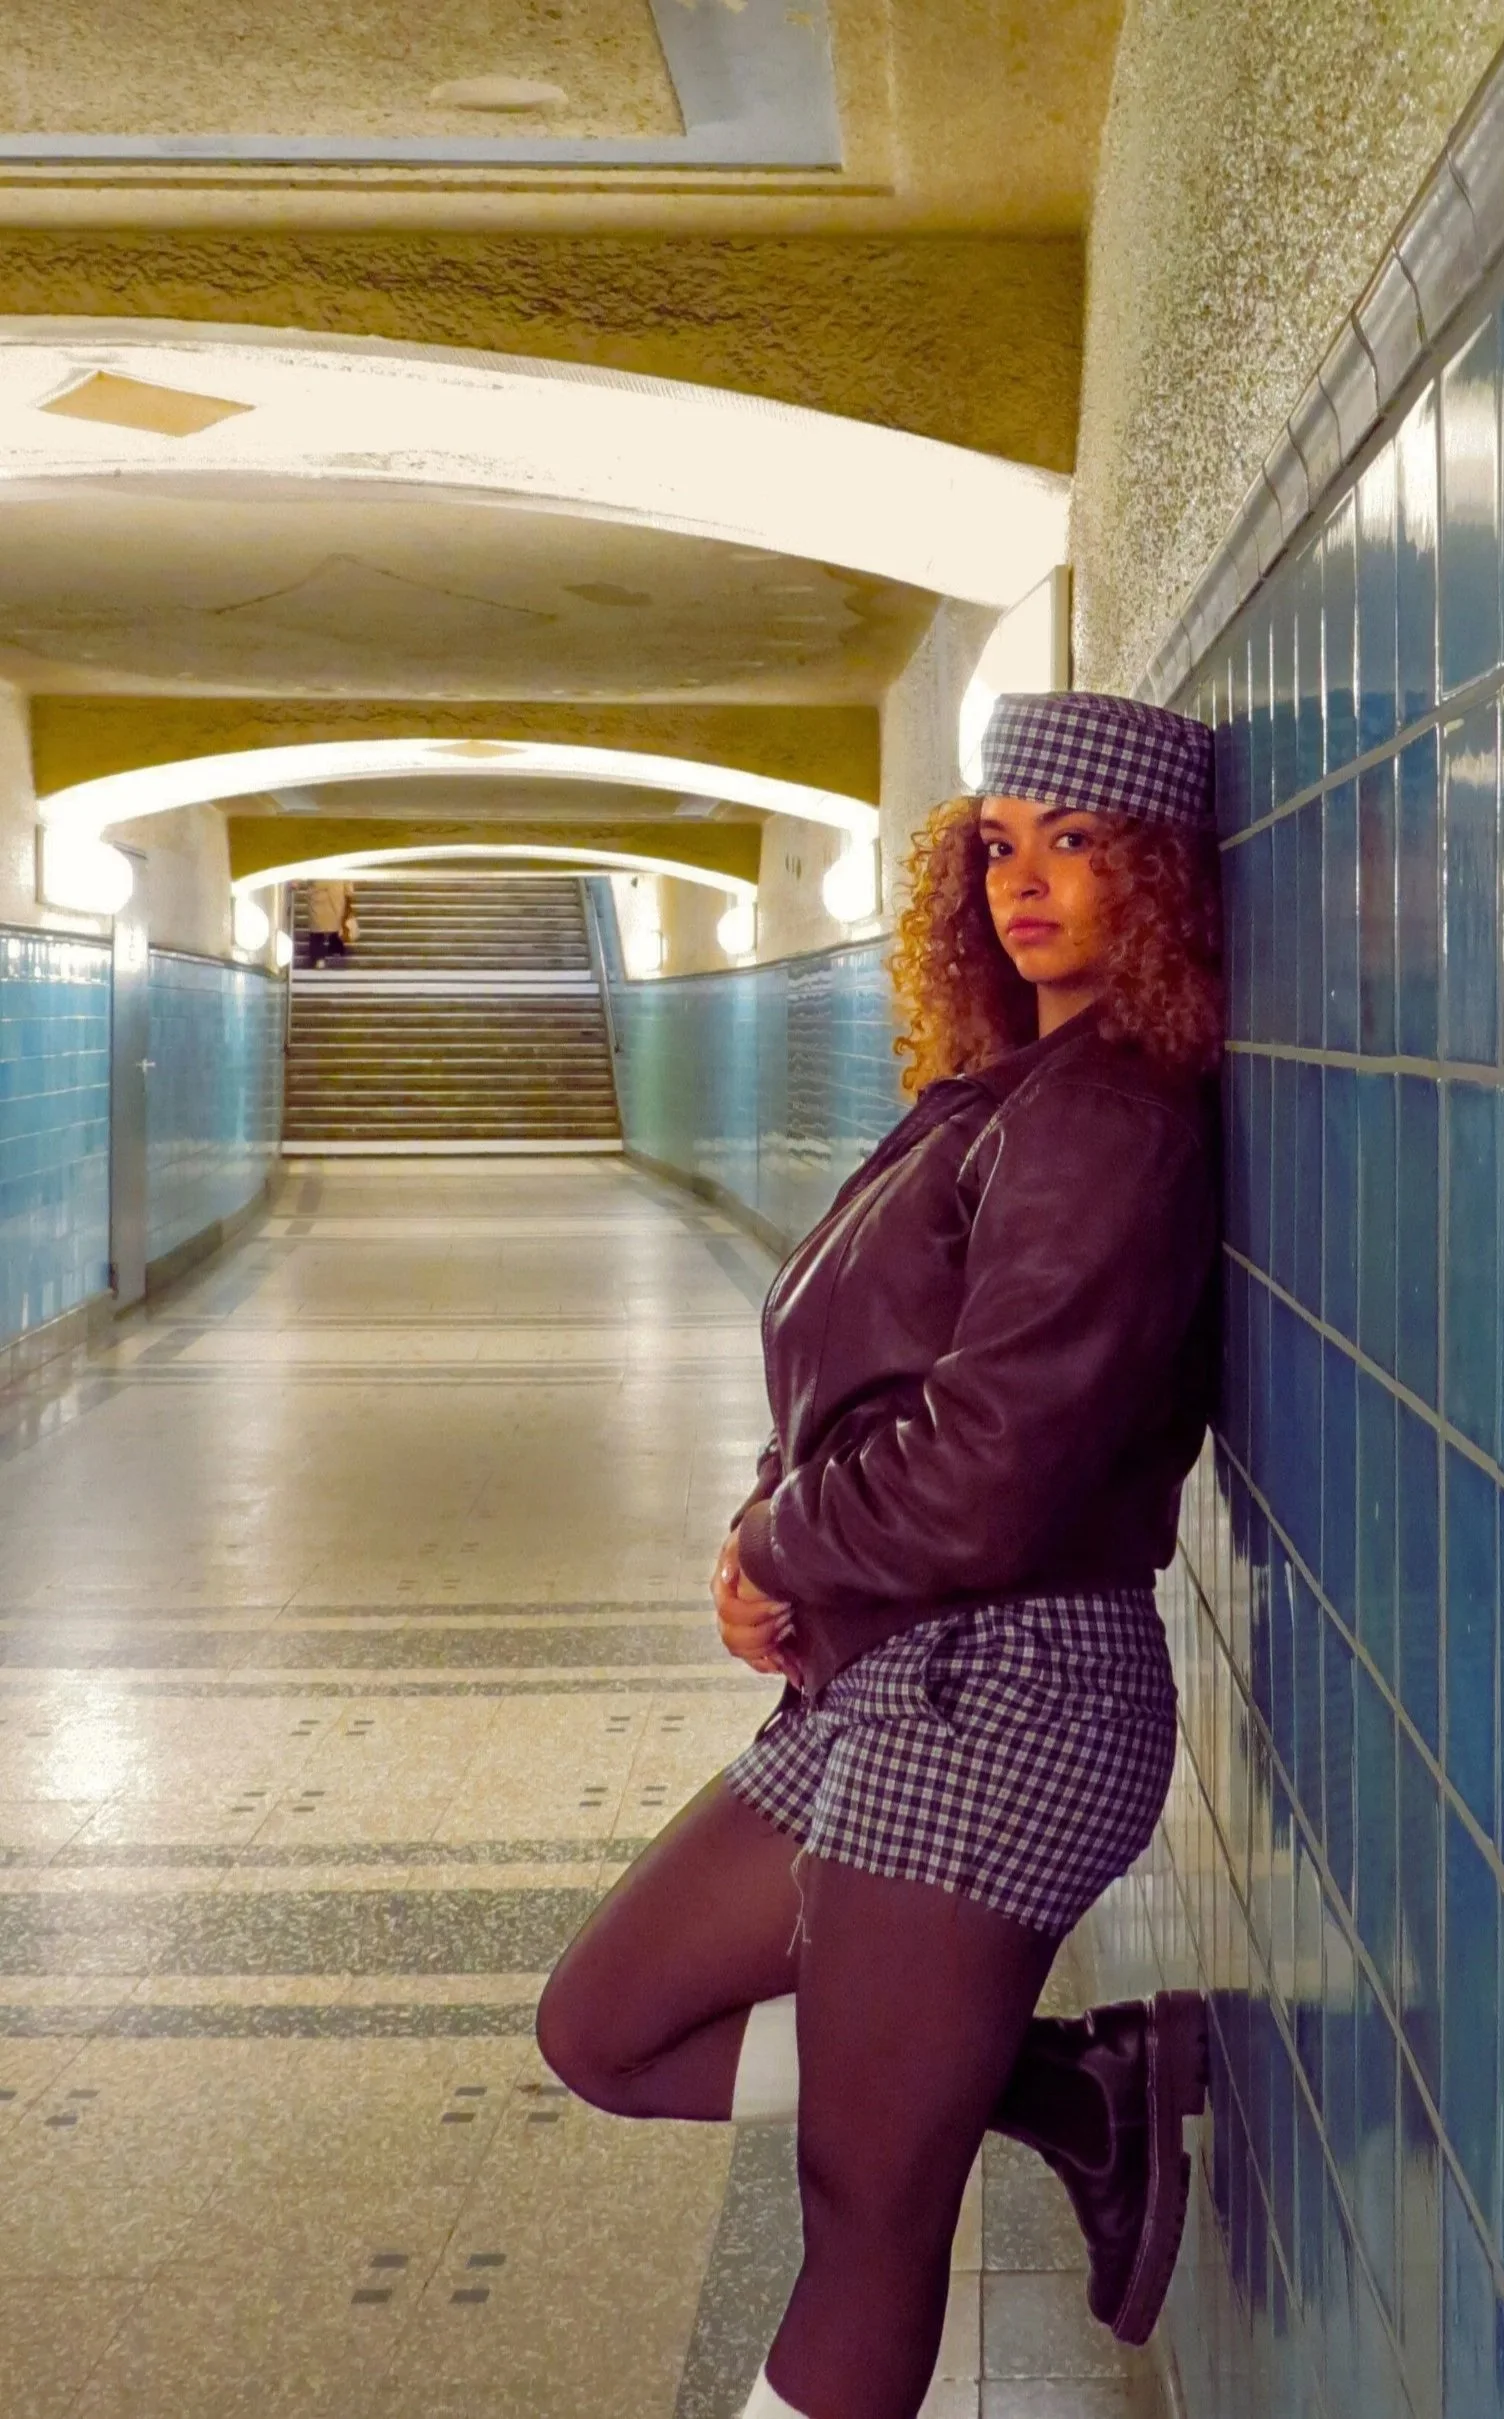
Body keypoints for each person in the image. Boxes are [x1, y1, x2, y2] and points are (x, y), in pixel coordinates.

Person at [535, 691, 1226, 2419]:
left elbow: (982, 1475)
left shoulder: (1110, 1122)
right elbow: (870, 1375)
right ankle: (1065, 2087)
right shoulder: (999, 1091)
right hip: (895, 1677)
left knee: (864, 2207)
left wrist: (782, 1535)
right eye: (998, 843)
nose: (1027, 880)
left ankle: (1025, 2085)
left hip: (1007, 1695)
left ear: (1159, 874)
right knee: (603, 2023)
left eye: (1078, 843)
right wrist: (770, 1528)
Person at [301, 878, 355, 967]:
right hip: (336, 893)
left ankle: (318, 957)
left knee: (317, 928)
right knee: (335, 924)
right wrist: (349, 890)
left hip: (318, 893)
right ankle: (336, 950)